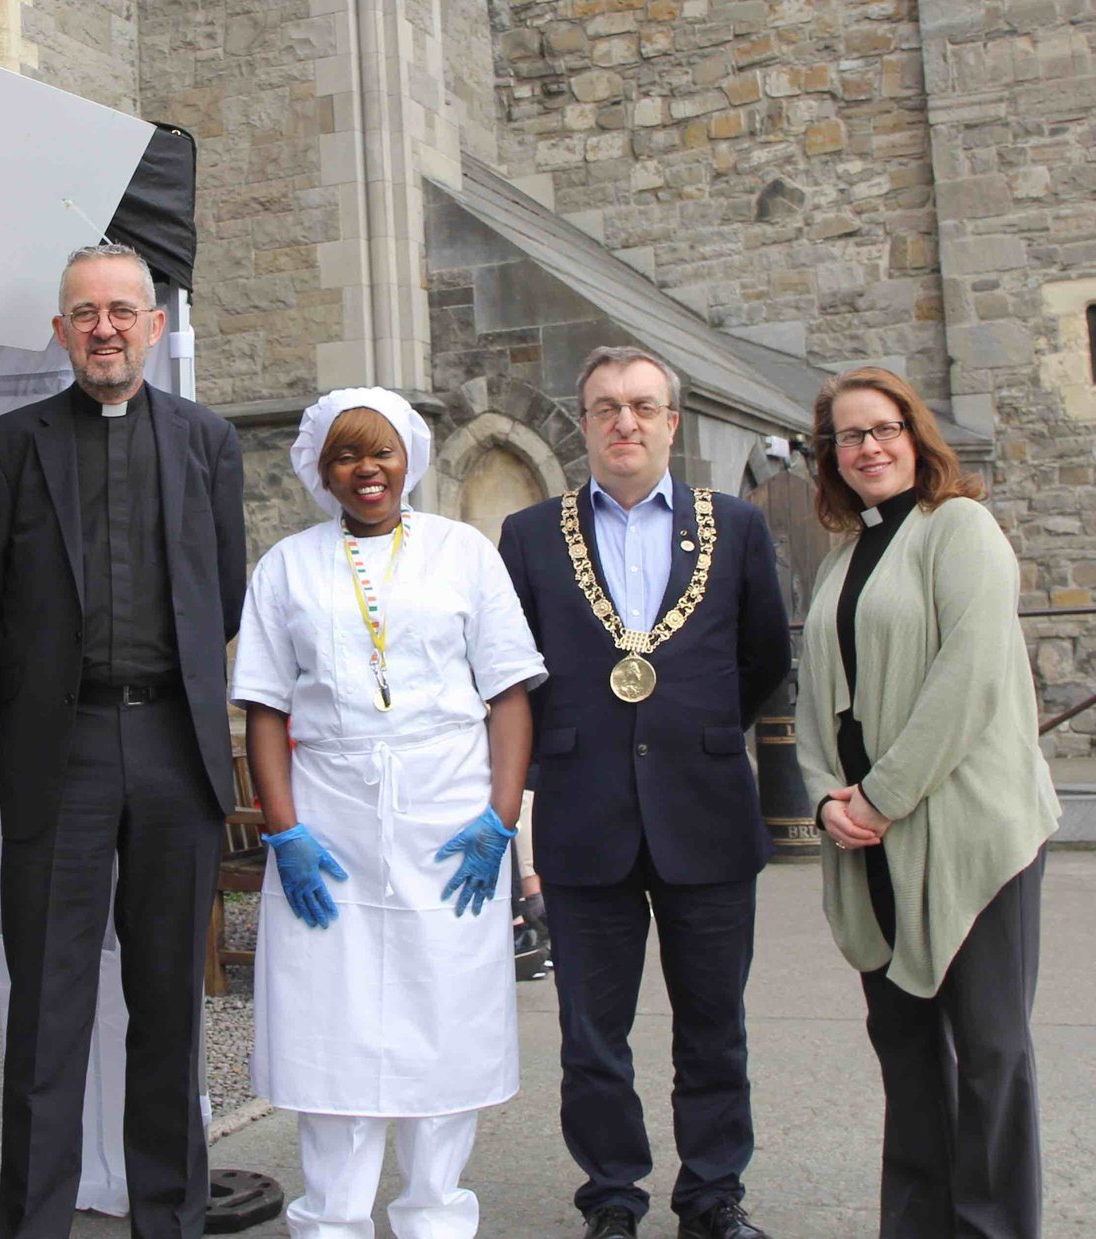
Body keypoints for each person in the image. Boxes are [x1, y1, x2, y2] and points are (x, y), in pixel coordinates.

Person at [0, 243, 246, 1239]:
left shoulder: (208, 443)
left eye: (124, 310)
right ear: (61, 330)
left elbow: (225, 594)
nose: (105, 328)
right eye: (86, 312)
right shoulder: (5, 448)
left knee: (169, 1005)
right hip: (60, 752)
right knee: (49, 1009)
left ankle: (170, 1219)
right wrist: (34, 712)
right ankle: (33, 1227)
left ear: (155, 327)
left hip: (173, 746)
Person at [231, 388, 544, 1238]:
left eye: (381, 453)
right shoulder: (287, 566)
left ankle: (436, 1215)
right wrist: (283, 830)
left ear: (408, 458)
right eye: (345, 455)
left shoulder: (463, 554)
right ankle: (330, 1219)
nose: (366, 470)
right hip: (327, 817)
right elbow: (264, 706)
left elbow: (509, 693)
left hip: (449, 818)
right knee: (330, 1029)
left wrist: (500, 818)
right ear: (320, 469)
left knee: (443, 1020)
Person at [496, 345, 790, 1239]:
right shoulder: (531, 536)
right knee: (592, 1037)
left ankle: (711, 1197)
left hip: (704, 808)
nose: (625, 421)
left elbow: (765, 658)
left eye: (642, 406)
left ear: (671, 420)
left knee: (714, 1025)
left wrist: (692, 734)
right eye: (605, 407)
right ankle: (612, 1198)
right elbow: (516, 671)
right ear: (583, 423)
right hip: (587, 812)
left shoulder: (733, 526)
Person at [795, 366, 1059, 1239]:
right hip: (871, 838)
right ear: (830, 455)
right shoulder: (841, 560)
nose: (868, 447)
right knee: (907, 1057)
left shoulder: (963, 529)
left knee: (989, 1055)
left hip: (971, 834)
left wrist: (881, 794)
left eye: (883, 429)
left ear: (915, 434)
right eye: (848, 435)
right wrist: (826, 800)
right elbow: (815, 700)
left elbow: (971, 677)